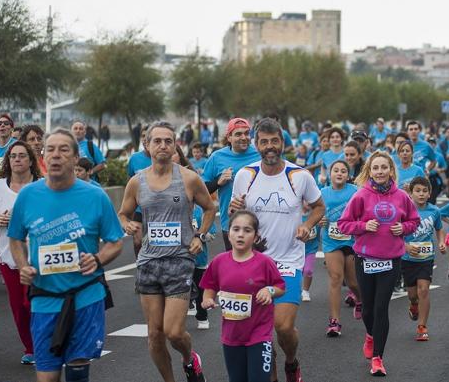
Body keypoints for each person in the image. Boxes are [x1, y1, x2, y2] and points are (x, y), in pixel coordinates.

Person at [7, 129, 124, 382]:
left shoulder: (95, 196)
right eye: (51, 149)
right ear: (43, 157)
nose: (56, 155)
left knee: (77, 370)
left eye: (64, 150)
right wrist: (23, 264)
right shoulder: (28, 195)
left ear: (74, 158)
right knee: (47, 377)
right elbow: (15, 237)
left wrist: (97, 259)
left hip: (86, 294)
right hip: (45, 297)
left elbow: (115, 242)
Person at [117, 123, 216, 382]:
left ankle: (188, 358)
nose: (162, 146)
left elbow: (209, 208)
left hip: (180, 260)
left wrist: (200, 236)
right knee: (154, 334)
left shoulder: (188, 178)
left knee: (174, 332)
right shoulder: (136, 181)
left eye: (168, 141)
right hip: (148, 262)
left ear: (175, 146)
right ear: (147, 146)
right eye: (157, 141)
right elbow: (123, 213)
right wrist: (127, 224)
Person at [229, 117, 325, 382]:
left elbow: (319, 207)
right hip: (254, 262)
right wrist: (235, 214)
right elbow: (238, 220)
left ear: (282, 143)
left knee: (282, 327)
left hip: (288, 263)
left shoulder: (300, 176)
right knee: (260, 333)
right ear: (256, 144)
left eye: (274, 141)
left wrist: (307, 224)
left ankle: (291, 362)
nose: (269, 146)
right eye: (264, 142)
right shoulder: (245, 175)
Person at [338, 150, 420, 376]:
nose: (380, 171)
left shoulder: (402, 196)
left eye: (384, 167)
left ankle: (377, 358)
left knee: (381, 308)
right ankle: (370, 335)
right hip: (365, 259)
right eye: (376, 168)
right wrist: (364, 226)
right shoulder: (361, 196)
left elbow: (414, 220)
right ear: (369, 171)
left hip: (391, 260)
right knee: (367, 309)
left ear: (391, 170)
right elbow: (343, 224)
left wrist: (403, 228)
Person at [200, 210, 285, 382]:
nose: (240, 234)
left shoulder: (264, 262)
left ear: (255, 237)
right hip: (231, 336)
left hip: (259, 334)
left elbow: (280, 287)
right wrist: (207, 299)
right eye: (236, 229)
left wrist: (268, 290)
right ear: (228, 234)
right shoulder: (219, 261)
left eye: (247, 230)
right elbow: (209, 286)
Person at [0, 140, 41, 364]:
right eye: (13, 156)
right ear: (8, 160)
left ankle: (43, 344)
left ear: (30, 160)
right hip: (8, 257)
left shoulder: (41, 185)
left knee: (34, 304)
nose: (17, 159)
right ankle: (31, 348)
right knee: (19, 308)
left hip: (38, 257)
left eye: (22, 155)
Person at [201, 118, 260, 251]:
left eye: (246, 133)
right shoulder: (217, 157)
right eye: (238, 134)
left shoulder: (259, 154)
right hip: (231, 224)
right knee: (236, 268)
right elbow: (201, 190)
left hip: (261, 221)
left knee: (259, 268)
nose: (244, 137)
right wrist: (218, 182)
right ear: (229, 137)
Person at [319, 160, 360, 337]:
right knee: (336, 278)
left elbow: (363, 211)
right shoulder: (322, 193)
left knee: (353, 282)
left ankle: (360, 300)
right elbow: (315, 213)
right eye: (336, 170)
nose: (339, 173)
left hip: (350, 241)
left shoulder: (355, 191)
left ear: (348, 175)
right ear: (330, 173)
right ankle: (334, 321)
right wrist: (319, 220)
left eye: (343, 171)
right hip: (331, 241)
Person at [402, 177, 446, 341]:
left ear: (429, 194)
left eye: (424, 191)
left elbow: (439, 229)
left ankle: (422, 326)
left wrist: (441, 242)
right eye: (417, 191)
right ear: (411, 193)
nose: (421, 194)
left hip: (426, 258)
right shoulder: (404, 211)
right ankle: (414, 305)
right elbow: (396, 233)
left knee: (424, 290)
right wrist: (405, 247)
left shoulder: (434, 211)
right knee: (413, 294)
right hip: (407, 258)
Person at [126, 124, 152, 257]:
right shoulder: (134, 159)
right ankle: (141, 268)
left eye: (148, 136)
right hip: (139, 209)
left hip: (160, 209)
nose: (145, 139)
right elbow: (130, 183)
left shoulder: (164, 158)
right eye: (143, 136)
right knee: (137, 241)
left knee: (158, 244)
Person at [301, 202, 319, 302]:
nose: (308, 203)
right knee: (296, 272)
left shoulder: (316, 215)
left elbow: (321, 232)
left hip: (311, 249)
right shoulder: (296, 215)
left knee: (308, 271)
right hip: (297, 250)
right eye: (305, 200)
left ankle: (305, 291)